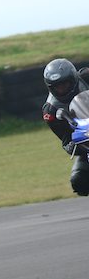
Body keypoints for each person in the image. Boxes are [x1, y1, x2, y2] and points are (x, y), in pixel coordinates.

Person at [42, 58, 89, 196]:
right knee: (79, 181)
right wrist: (73, 145)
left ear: (73, 78)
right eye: (57, 86)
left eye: (65, 84)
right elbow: (66, 139)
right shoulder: (51, 110)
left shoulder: (86, 77)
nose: (62, 89)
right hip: (87, 142)